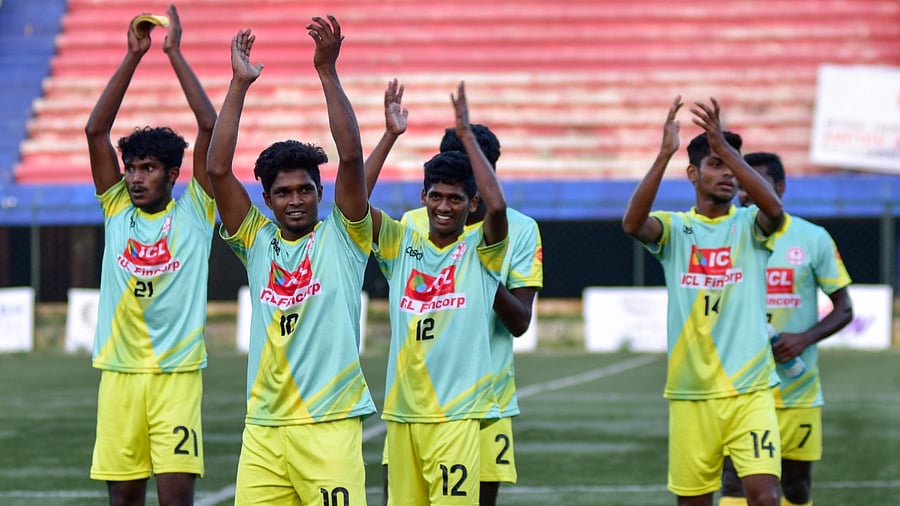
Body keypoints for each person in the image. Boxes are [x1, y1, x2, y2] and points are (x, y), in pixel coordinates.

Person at [206, 16, 376, 505]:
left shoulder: (344, 235)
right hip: (263, 430)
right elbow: (217, 170)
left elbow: (351, 155)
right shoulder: (255, 239)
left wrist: (327, 72)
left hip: (330, 427)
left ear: (321, 191)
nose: (296, 199)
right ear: (267, 199)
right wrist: (238, 84)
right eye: (283, 192)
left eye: (305, 188)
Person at [365, 80, 543, 506]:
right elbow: (350, 205)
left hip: (480, 396)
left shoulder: (509, 232)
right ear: (425, 193)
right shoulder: (406, 229)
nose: (445, 204)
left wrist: (476, 275)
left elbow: (519, 320)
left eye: (459, 192)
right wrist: (389, 135)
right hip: (408, 403)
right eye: (437, 192)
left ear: (478, 193)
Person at [622, 96, 785, 506]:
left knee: (765, 498)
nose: (727, 173)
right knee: (695, 501)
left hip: (750, 389)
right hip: (691, 391)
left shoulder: (750, 224)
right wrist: (664, 154)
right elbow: (633, 224)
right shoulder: (676, 230)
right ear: (692, 173)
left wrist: (726, 147)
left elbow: (775, 209)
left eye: (731, 164)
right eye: (716, 164)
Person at [84, 4, 216, 505]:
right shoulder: (116, 207)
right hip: (119, 374)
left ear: (172, 174)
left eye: (149, 168)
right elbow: (96, 131)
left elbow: (209, 126)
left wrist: (174, 54)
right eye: (132, 168)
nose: (136, 178)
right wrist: (133, 56)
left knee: (175, 499)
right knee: (123, 500)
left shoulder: (195, 212)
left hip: (176, 378)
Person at [718, 152, 854, 506]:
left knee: (795, 487)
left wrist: (802, 339)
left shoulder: (813, 238)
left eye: (755, 182)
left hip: (798, 391)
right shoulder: (722, 237)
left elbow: (845, 309)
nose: (745, 191)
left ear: (779, 187)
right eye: (740, 182)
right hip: (740, 387)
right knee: (734, 483)